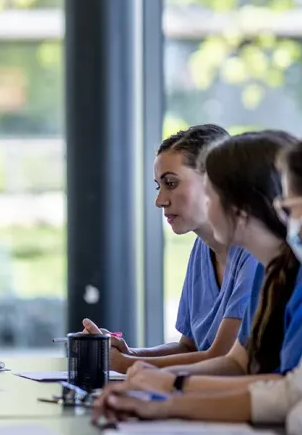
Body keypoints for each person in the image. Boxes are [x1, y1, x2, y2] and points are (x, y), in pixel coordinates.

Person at [95, 130, 301, 405]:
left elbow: (285, 392)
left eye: (211, 193)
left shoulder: (268, 267)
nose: (160, 201)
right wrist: (147, 373)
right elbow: (236, 363)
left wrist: (166, 387)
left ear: (241, 206)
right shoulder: (268, 271)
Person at [83, 125, 258, 373]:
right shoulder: (201, 248)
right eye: (159, 186)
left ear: (216, 181)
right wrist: (129, 353)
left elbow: (222, 357)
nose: (160, 200)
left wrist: (127, 364)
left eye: (172, 184)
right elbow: (189, 348)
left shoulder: (255, 252)